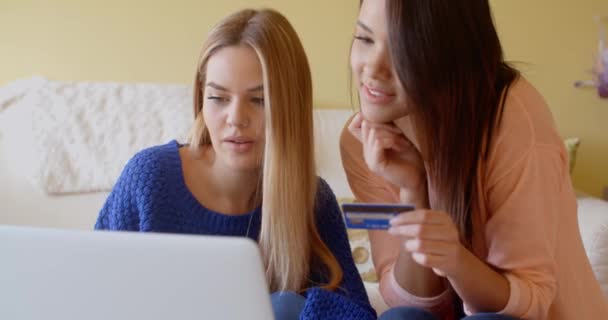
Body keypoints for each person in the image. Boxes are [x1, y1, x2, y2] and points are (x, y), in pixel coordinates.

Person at [95, 8, 375, 320]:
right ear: (201, 99)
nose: (236, 119)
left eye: (259, 100)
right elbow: (90, 289)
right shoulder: (149, 179)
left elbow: (359, 314)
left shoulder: (312, 200)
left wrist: (289, 308)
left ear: (290, 107)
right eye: (218, 98)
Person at [340, 0, 608, 319]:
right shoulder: (363, 143)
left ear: (449, 53)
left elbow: (533, 302)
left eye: (402, 49)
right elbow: (409, 306)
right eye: (365, 39)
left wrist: (454, 259)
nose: (372, 68)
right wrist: (413, 192)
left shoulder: (512, 117)